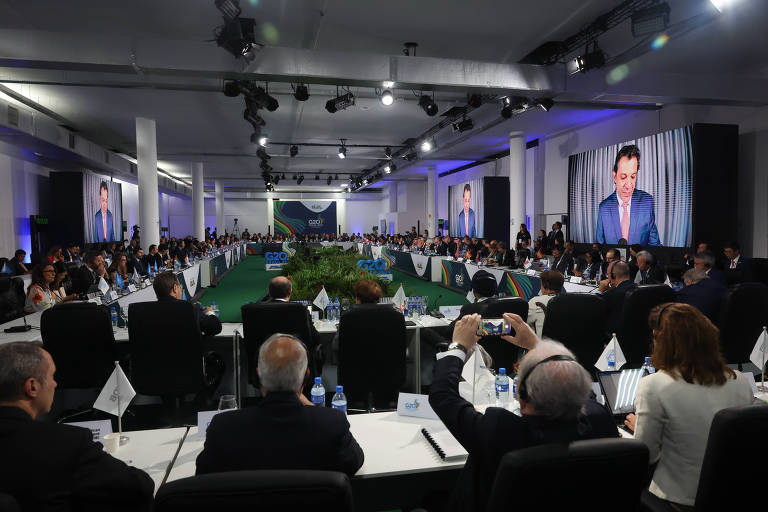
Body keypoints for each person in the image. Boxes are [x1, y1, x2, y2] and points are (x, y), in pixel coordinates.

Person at [429, 313, 617, 512]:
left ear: (522, 394)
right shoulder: (600, 421)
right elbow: (580, 387)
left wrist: (458, 346)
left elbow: (443, 395)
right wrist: (536, 345)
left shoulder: (502, 431)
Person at [624, 303, 755, 509]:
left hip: (678, 497)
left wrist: (640, 425)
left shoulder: (654, 385)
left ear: (661, 342)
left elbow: (646, 455)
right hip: (734, 494)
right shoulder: (740, 380)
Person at [0, 342, 154, 511]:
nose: (55, 384)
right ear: (32, 387)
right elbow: (138, 488)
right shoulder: (66, 443)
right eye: (52, 376)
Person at [196, 333, 364, 476]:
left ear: (258, 376)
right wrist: (312, 408)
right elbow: (354, 462)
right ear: (306, 377)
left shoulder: (223, 429)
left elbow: (203, 474)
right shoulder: (331, 425)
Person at [595, 145, 661, 246]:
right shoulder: (604, 208)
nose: (629, 185)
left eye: (633, 177)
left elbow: (655, 245)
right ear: (615, 176)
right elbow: (598, 247)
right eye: (623, 177)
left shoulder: (647, 202)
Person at [598, 261, 637, 334]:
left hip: (614, 338)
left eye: (608, 274)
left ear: (613, 275)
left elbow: (593, 309)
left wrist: (600, 290)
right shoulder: (638, 289)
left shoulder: (609, 295)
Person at [526, 270, 564, 337]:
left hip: (542, 345)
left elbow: (523, 321)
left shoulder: (536, 302)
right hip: (562, 346)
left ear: (544, 285)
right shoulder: (568, 302)